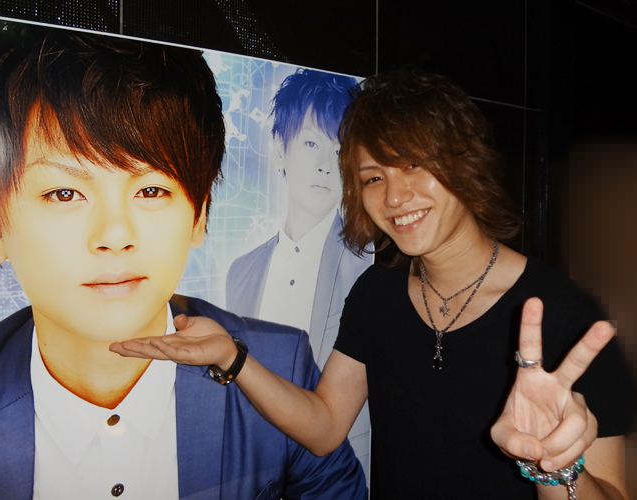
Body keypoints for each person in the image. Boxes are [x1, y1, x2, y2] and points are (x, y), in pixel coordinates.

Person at [112, 68, 634, 499]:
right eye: (373, 177)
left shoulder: (565, 317)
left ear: (464, 162)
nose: (395, 196)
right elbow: (324, 427)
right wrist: (233, 357)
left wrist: (551, 467)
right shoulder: (377, 293)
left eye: (413, 164)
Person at [0, 20, 367, 499]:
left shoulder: (279, 366)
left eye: (151, 190)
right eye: (64, 193)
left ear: (199, 214)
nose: (115, 236)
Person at [225, 68, 372, 472]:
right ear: (279, 148)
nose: (326, 164)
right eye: (311, 143)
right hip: (253, 473)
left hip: (342, 477)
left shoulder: (372, 266)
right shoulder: (241, 271)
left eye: (339, 149)